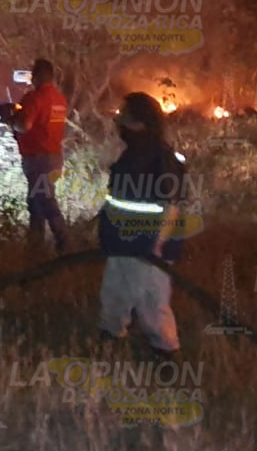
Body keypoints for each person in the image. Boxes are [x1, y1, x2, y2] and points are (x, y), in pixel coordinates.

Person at [98, 92, 188, 361]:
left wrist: (157, 244)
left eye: (125, 117)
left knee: (151, 300)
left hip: (147, 246)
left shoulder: (162, 159)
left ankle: (165, 352)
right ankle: (110, 336)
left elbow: (170, 206)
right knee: (115, 291)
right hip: (121, 242)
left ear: (139, 123)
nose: (120, 123)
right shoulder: (131, 155)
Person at [10, 58, 69, 251]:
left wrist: (10, 120)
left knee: (44, 201)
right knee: (37, 202)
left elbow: (24, 125)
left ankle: (63, 243)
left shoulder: (34, 98)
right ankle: (36, 247)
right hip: (54, 157)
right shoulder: (60, 99)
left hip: (37, 158)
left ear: (36, 76)